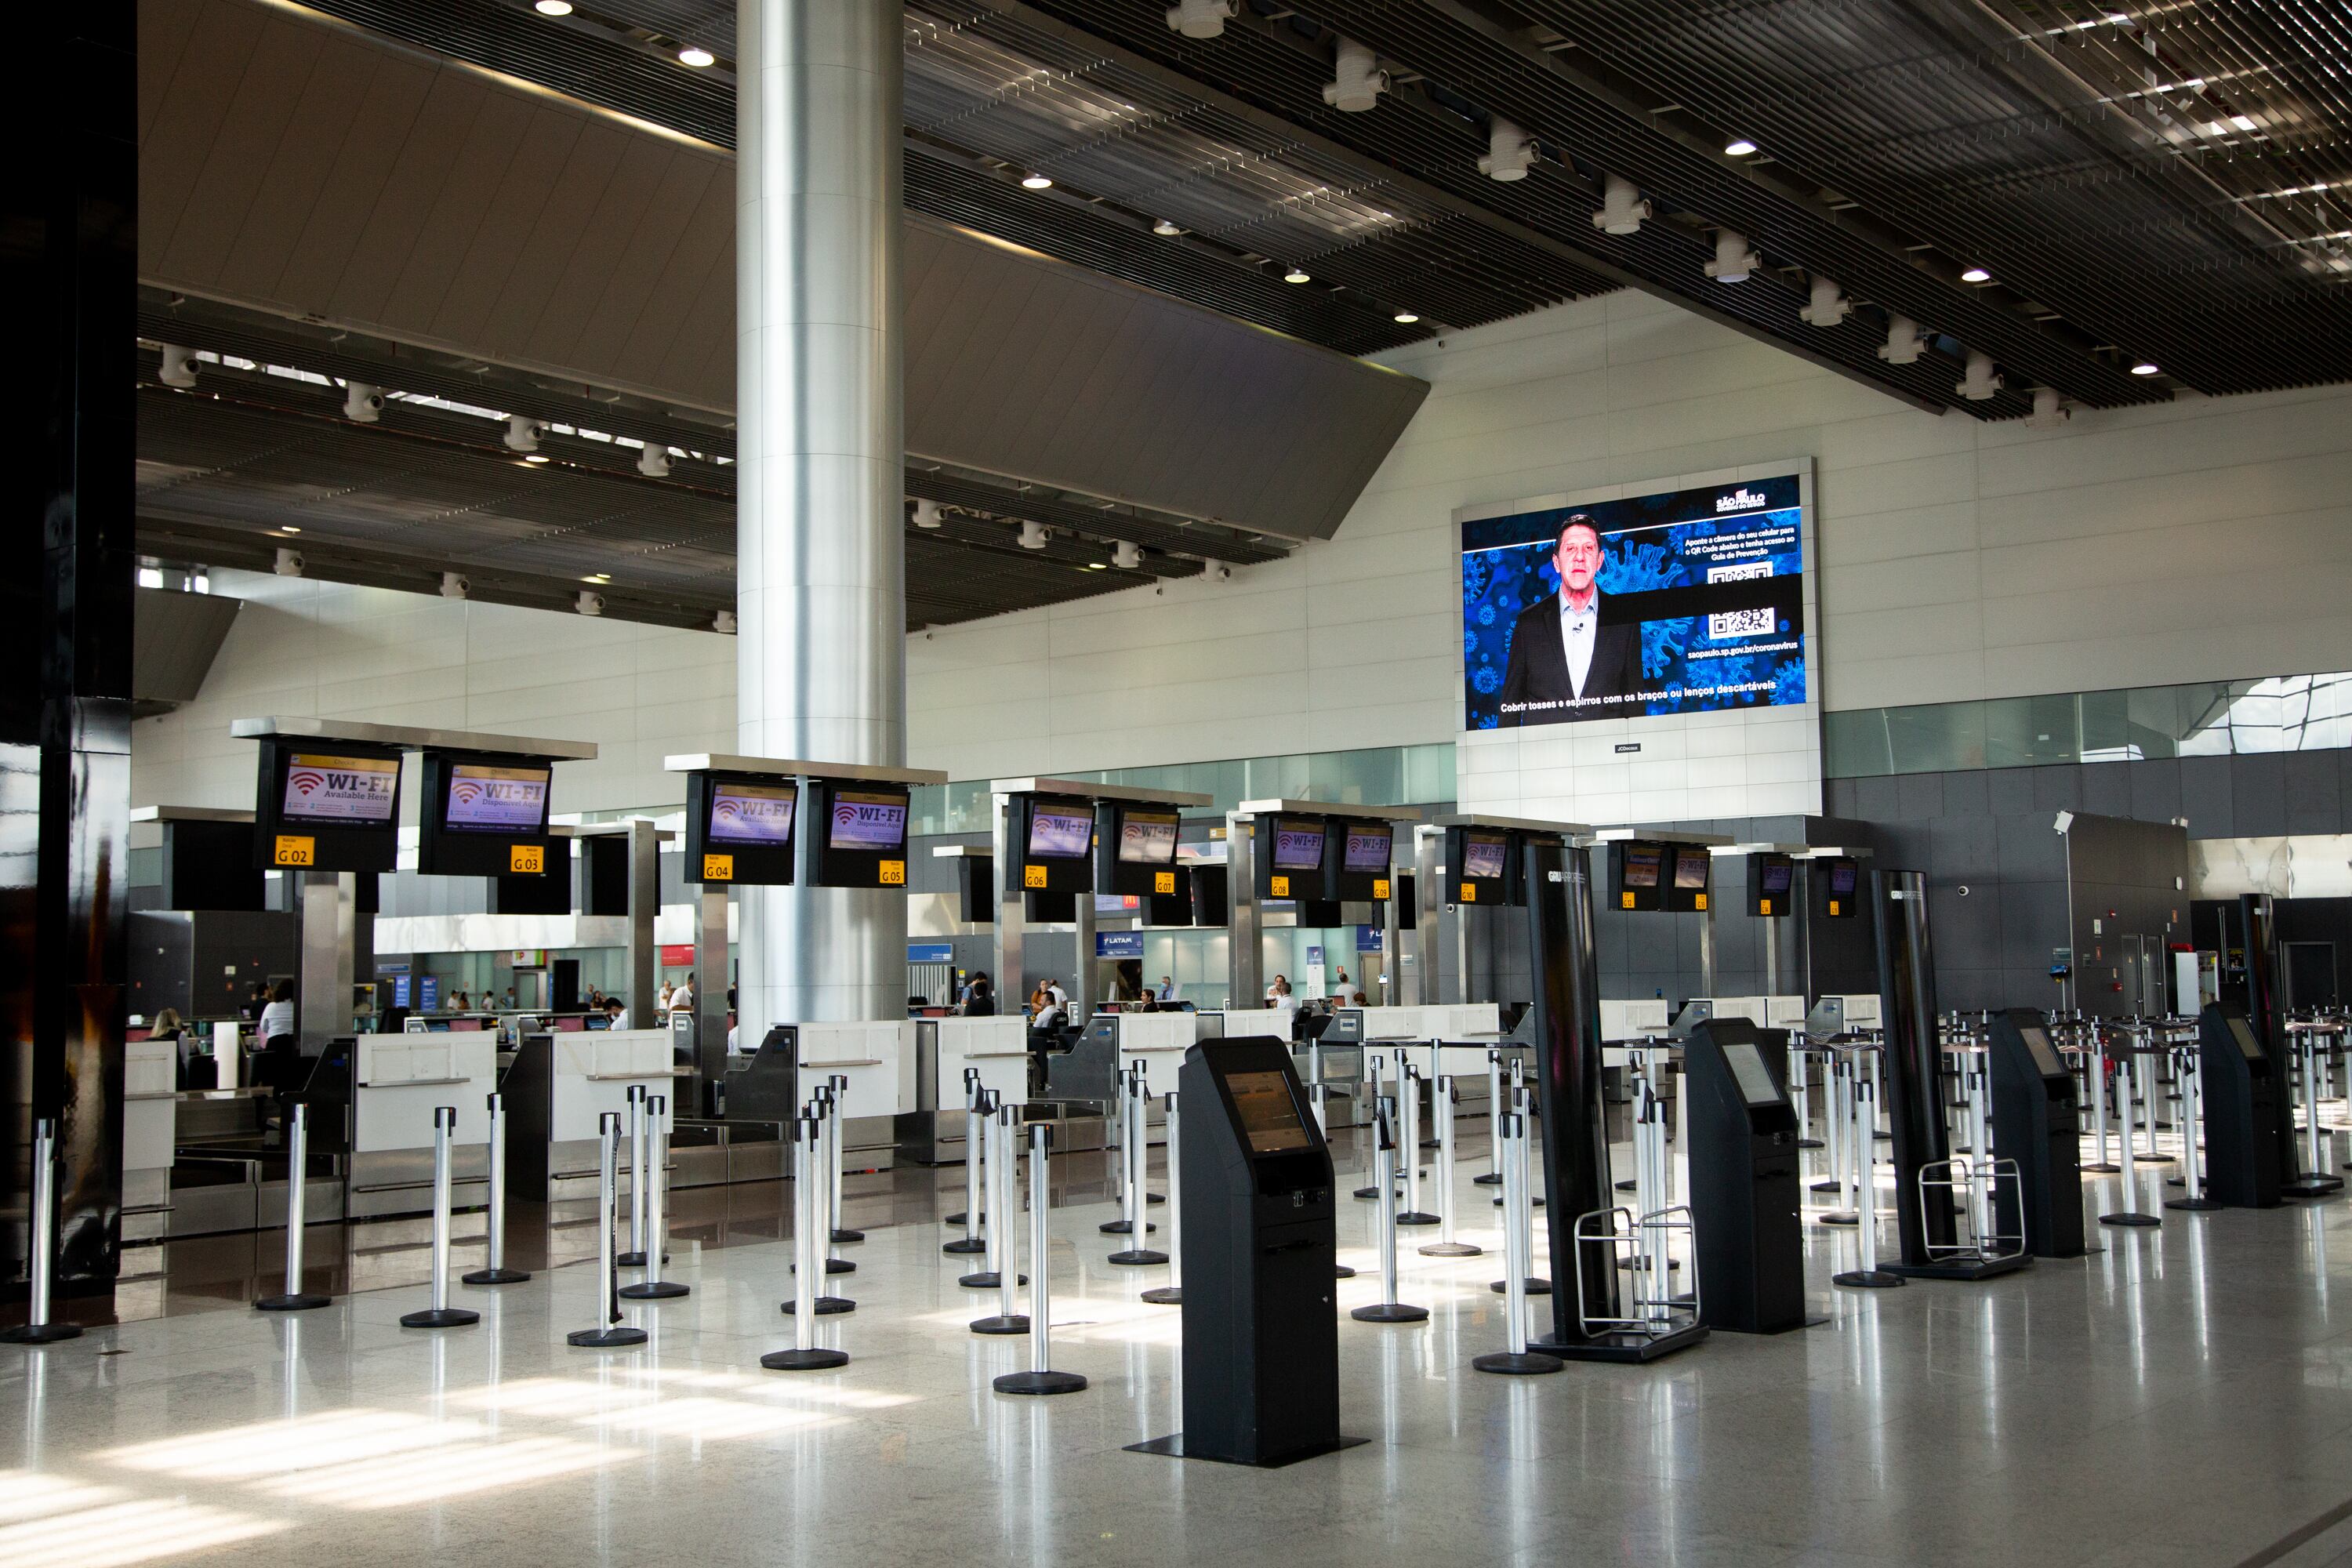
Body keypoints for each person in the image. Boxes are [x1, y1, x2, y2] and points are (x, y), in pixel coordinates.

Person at [1498, 513, 1641, 723]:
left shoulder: (1625, 618)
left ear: (1600, 560)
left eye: (1588, 548)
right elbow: (1510, 705)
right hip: (1546, 752)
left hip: (1607, 749)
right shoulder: (1529, 623)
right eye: (1571, 548)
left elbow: (1635, 701)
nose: (1580, 557)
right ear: (1556, 562)